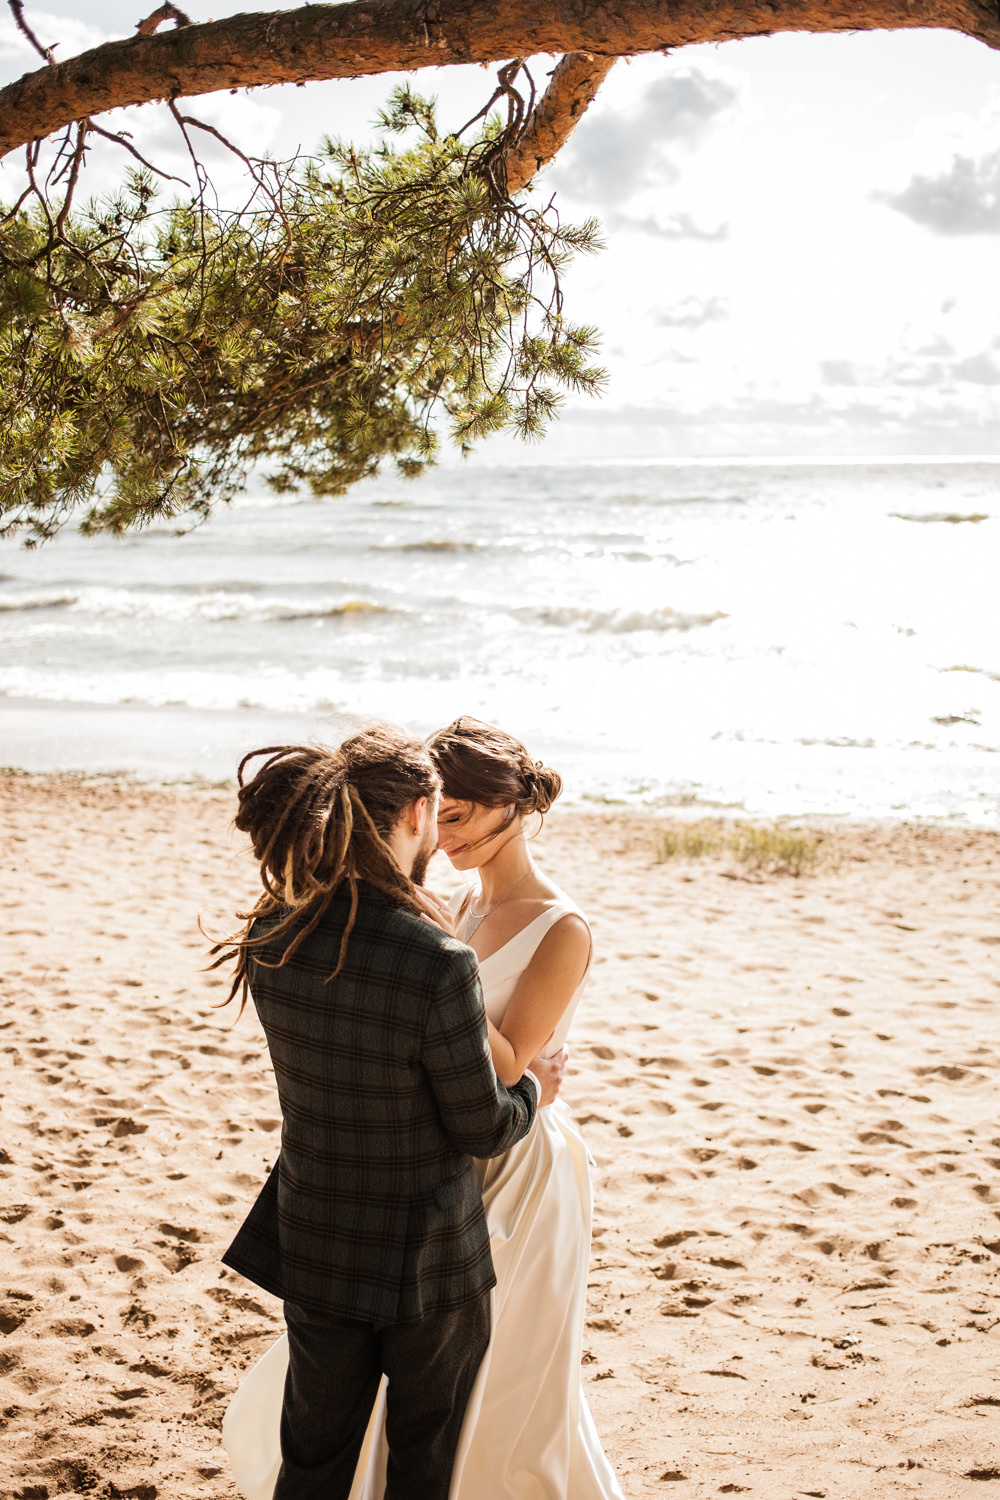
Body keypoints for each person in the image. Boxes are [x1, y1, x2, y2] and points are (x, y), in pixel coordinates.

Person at [223, 717, 625, 1500]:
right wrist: (533, 1079)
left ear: (515, 807)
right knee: (423, 1441)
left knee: (353, 1432)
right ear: (411, 814)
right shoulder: (436, 930)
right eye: (437, 815)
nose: (443, 837)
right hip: (442, 1201)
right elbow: (487, 1094)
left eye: (461, 815)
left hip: (425, 1201)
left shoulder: (282, 927)